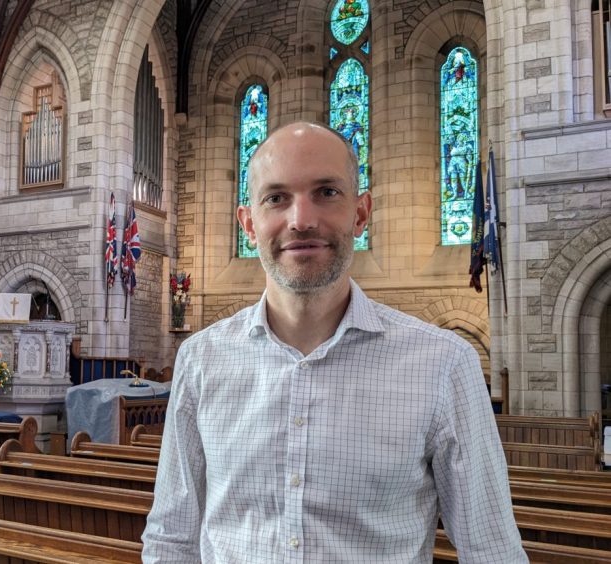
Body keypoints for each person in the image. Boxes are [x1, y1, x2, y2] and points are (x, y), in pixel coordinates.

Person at [141, 122, 526, 563]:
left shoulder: (443, 364)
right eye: (276, 197)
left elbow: (493, 551)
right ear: (249, 223)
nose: (301, 220)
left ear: (360, 213)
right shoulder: (200, 360)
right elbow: (172, 539)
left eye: (326, 192)